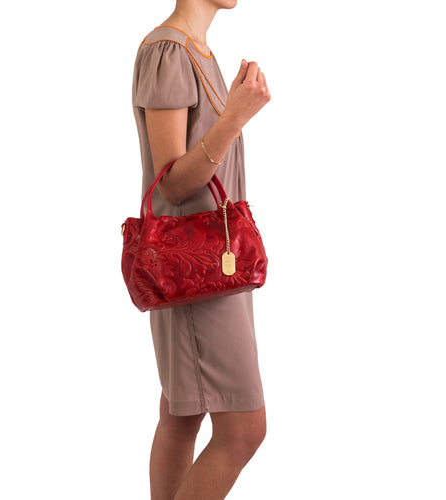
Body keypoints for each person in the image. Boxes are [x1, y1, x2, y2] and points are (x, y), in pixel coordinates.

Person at [131, 1, 271, 498]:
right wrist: (234, 117)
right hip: (195, 273)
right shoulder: (169, 51)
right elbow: (172, 183)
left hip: (214, 265)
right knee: (244, 429)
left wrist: (234, 114)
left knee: (183, 413)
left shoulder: (197, 52)